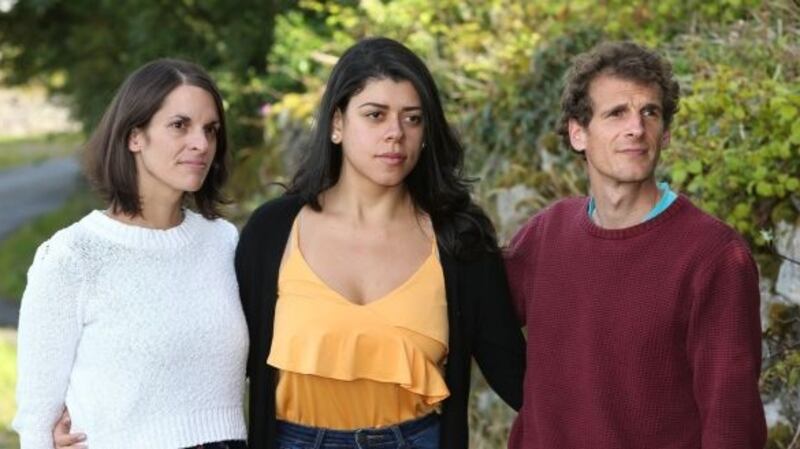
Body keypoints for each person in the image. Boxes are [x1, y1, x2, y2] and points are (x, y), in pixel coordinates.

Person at [234, 37, 525, 449]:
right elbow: (221, 367)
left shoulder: (459, 238)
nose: (395, 134)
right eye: (375, 115)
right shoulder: (272, 231)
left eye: (412, 118)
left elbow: (518, 376)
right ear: (337, 123)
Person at [504, 41, 766, 448]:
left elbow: (732, 420)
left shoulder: (712, 256)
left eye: (650, 112)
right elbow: (464, 305)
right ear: (578, 133)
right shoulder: (546, 233)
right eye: (616, 114)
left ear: (665, 133)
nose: (636, 129)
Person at [13, 58, 249, 449]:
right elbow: (37, 423)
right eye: (180, 125)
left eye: (211, 130)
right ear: (134, 136)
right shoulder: (72, 257)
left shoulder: (224, 242)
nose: (201, 143)